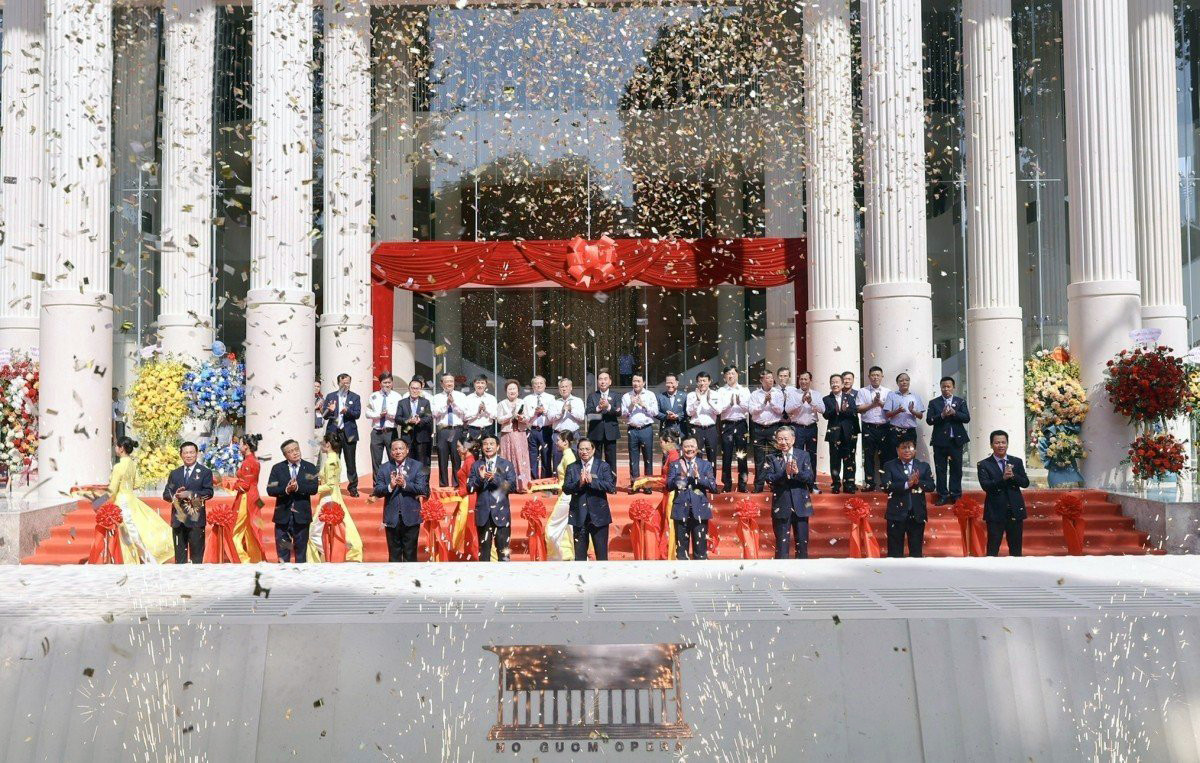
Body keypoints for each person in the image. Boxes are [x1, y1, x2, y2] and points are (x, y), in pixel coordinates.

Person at [105, 437, 172, 564]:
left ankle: (131, 559)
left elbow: (112, 490)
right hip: (131, 500)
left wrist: (101, 502)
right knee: (136, 529)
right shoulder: (132, 464)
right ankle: (146, 557)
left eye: (116, 446)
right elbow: (137, 483)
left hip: (122, 501)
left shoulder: (119, 466)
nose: (115, 448)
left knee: (128, 532)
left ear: (121, 448)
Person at [308, 432, 364, 562]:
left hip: (328, 499)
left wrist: (313, 489)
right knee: (333, 530)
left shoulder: (330, 461)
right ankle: (334, 553)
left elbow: (330, 485)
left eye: (323, 443)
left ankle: (333, 553)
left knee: (314, 532)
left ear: (328, 444)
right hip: (333, 497)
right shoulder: (335, 458)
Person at [763, 427, 816, 559]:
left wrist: (797, 473)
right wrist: (784, 473)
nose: (783, 442)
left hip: (801, 504)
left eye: (786, 439)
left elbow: (810, 478)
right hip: (782, 504)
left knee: (802, 545)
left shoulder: (803, 455)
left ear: (793, 439)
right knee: (781, 546)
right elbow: (769, 478)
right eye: (780, 439)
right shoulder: (771, 457)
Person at [373, 439, 429, 562]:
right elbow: (377, 490)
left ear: (407, 450)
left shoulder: (417, 466)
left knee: (410, 555)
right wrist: (390, 486)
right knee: (394, 556)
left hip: (411, 516)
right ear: (391, 452)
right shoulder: (384, 468)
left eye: (401, 448)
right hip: (392, 517)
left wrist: (405, 484)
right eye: (395, 449)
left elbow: (423, 489)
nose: (398, 452)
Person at [266, 439, 320, 563]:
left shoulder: (310, 467)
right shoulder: (278, 468)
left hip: (301, 518)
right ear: (285, 455)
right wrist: (286, 489)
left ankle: (300, 574)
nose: (295, 453)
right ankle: (283, 573)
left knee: (300, 553)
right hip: (283, 518)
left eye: (296, 449)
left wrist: (297, 488)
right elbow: (270, 489)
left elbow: (314, 488)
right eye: (290, 451)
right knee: (283, 552)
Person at [977, 430, 1029, 557]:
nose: (1001, 445)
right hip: (995, 512)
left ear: (1007, 444)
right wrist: (1003, 479)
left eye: (1003, 442)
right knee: (993, 550)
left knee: (1016, 551)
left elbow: (1025, 483)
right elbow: (986, 486)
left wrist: (1013, 476)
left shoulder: (1016, 461)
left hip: (1015, 510)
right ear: (991, 445)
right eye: (997, 443)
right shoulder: (984, 464)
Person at [563, 439, 617, 560]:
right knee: (579, 557)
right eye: (581, 449)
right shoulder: (572, 467)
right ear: (577, 450)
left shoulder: (603, 466)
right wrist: (579, 483)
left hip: (599, 516)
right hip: (579, 516)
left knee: (601, 556)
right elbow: (566, 488)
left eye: (587, 449)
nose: (584, 452)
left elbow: (611, 487)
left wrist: (593, 481)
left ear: (593, 450)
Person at [163, 441, 214, 564]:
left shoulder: (205, 472)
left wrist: (190, 494)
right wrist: (175, 495)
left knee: (197, 559)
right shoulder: (175, 473)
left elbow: (209, 492)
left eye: (191, 452)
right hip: (178, 520)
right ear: (181, 455)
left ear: (197, 454)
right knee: (179, 560)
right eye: (186, 453)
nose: (189, 455)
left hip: (196, 519)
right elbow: (166, 494)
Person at [666, 436, 718, 560]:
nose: (689, 449)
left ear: (697, 448)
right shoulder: (675, 464)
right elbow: (668, 486)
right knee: (681, 552)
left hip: (699, 510)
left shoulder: (705, 465)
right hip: (681, 510)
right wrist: (680, 479)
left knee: (700, 551)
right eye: (686, 446)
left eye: (692, 446)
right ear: (682, 448)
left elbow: (713, 487)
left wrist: (698, 477)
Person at [882, 439, 935, 558]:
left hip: (917, 514)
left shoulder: (923, 466)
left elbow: (931, 486)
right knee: (894, 554)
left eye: (910, 447)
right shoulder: (889, 465)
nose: (907, 450)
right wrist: (907, 484)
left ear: (915, 450)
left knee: (916, 553)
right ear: (897, 450)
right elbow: (886, 486)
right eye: (903, 448)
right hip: (896, 514)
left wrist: (918, 482)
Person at [468, 434, 517, 561]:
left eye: (491, 444)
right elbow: (470, 488)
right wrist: (480, 479)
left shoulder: (506, 464)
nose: (488, 447)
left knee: (504, 553)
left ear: (498, 447)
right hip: (483, 514)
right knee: (484, 553)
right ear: (481, 447)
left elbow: (512, 487)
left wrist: (495, 479)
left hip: (501, 514)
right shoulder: (476, 465)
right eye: (485, 444)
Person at [927, 376, 971, 505]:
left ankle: (955, 494)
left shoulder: (960, 401)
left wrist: (954, 413)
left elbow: (967, 418)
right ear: (940, 388)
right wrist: (942, 415)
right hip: (939, 441)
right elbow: (929, 420)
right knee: (940, 469)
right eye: (943, 387)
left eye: (948, 386)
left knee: (956, 469)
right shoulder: (934, 403)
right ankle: (942, 495)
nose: (946, 389)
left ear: (953, 387)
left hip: (955, 441)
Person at [321, 373, 362, 496]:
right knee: (333, 461)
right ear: (338, 383)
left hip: (348, 433)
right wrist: (330, 410)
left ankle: (353, 487)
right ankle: (333, 486)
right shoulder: (331, 396)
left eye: (348, 383)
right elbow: (324, 415)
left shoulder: (355, 397)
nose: (346, 385)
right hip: (334, 433)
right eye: (343, 383)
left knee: (350, 462)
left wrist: (347, 411)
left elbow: (357, 414)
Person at [230, 434, 267, 563]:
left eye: (240, 444)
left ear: (246, 446)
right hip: (254, 496)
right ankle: (255, 558)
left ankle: (242, 558)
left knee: (235, 530)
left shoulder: (248, 462)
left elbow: (245, 485)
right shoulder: (253, 460)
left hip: (246, 498)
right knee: (251, 529)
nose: (239, 446)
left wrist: (231, 484)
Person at [785, 371, 824, 493]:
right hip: (797, 428)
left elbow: (822, 409)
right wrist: (800, 401)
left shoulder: (816, 394)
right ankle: (797, 484)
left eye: (806, 379)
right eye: (801, 379)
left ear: (810, 380)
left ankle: (812, 484)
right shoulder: (793, 393)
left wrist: (811, 402)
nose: (803, 381)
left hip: (811, 428)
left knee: (812, 456)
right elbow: (787, 409)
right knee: (796, 456)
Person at [748, 369, 785, 493]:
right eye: (767, 378)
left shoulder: (778, 393)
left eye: (771, 378)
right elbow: (752, 411)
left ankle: (774, 484)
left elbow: (780, 410)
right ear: (761, 380)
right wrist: (764, 403)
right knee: (759, 458)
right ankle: (758, 485)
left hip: (773, 428)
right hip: (758, 428)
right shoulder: (755, 394)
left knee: (774, 457)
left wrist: (771, 401)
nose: (770, 380)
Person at [856, 366, 893, 492]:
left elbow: (891, 410)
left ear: (882, 377)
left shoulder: (888, 392)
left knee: (885, 456)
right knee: (868, 456)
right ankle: (869, 483)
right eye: (873, 375)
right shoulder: (862, 391)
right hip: (868, 427)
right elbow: (859, 409)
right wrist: (873, 404)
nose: (875, 377)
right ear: (869, 377)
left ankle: (885, 483)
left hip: (885, 427)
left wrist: (880, 403)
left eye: (878, 375)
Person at [622, 373, 659, 492]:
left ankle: (648, 485)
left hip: (646, 429)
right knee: (633, 458)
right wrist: (631, 405)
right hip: (632, 429)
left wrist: (644, 405)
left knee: (648, 457)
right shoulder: (626, 396)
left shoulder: (650, 395)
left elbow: (655, 412)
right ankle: (635, 485)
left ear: (643, 383)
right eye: (634, 381)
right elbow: (623, 414)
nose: (636, 383)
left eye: (638, 381)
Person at [822, 374, 859, 494]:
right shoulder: (826, 399)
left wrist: (844, 410)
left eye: (837, 382)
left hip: (849, 432)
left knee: (850, 459)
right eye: (832, 382)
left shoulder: (850, 397)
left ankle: (849, 484)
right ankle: (836, 484)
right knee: (835, 460)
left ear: (842, 384)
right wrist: (836, 410)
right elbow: (825, 415)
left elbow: (854, 411)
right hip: (834, 433)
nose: (835, 384)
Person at [716, 366, 750, 493]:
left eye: (732, 373)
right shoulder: (721, 391)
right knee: (727, 455)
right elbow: (718, 409)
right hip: (727, 425)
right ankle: (727, 484)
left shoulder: (744, 390)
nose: (730, 376)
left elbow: (749, 408)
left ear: (737, 375)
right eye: (728, 374)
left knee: (742, 455)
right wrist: (729, 404)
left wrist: (740, 403)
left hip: (741, 424)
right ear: (724, 376)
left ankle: (743, 484)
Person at [431, 373, 467, 487]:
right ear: (442, 384)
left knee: (456, 458)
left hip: (456, 429)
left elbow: (465, 412)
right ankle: (443, 484)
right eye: (447, 381)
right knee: (442, 458)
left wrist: (454, 403)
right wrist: (446, 404)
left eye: (451, 381)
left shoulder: (461, 396)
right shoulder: (437, 397)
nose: (449, 383)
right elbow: (434, 413)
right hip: (443, 430)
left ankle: (457, 485)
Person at [497, 379, 532, 492]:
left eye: (514, 389)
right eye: (510, 389)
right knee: (507, 458)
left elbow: (528, 419)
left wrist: (521, 418)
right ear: (506, 391)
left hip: (520, 434)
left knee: (520, 458)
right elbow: (499, 420)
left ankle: (522, 485)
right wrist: (510, 415)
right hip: (507, 435)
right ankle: (507, 485)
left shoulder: (523, 402)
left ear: (518, 391)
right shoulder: (502, 404)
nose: (512, 391)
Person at [546, 431, 577, 560]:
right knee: (568, 526)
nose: (556, 443)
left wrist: (556, 485)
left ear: (565, 442)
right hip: (564, 494)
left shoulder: (569, 457)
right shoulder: (566, 455)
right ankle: (568, 553)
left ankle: (557, 554)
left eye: (558, 440)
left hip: (566, 496)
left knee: (552, 526)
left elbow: (572, 479)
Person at [450, 437, 481, 561]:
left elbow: (472, 484)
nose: (457, 449)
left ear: (466, 448)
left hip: (468, 499)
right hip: (464, 497)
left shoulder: (470, 462)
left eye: (459, 446)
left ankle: (472, 554)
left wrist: (459, 492)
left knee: (468, 527)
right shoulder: (468, 460)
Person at [365, 372, 400, 479]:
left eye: (389, 382)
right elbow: (367, 413)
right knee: (376, 461)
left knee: (394, 459)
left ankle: (394, 483)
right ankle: (377, 485)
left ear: (392, 383)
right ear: (380, 384)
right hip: (377, 432)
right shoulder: (373, 396)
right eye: (385, 383)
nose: (387, 385)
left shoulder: (397, 396)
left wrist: (388, 414)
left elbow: (399, 414)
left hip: (391, 431)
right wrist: (378, 415)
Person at [585, 370, 620, 469]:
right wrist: (599, 408)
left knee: (611, 460)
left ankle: (611, 478)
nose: (603, 381)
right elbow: (588, 413)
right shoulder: (592, 396)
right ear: (597, 382)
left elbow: (619, 412)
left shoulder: (616, 395)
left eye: (605, 379)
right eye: (600, 379)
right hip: (595, 431)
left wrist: (608, 406)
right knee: (595, 460)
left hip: (611, 431)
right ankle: (596, 478)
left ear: (610, 382)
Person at [884, 372, 925, 456]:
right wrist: (898, 411)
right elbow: (887, 414)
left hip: (910, 432)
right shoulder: (892, 395)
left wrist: (912, 411)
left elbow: (920, 416)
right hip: (895, 431)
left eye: (907, 380)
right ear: (897, 383)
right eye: (901, 380)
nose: (904, 382)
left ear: (909, 382)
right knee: (893, 456)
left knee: (910, 456)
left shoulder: (915, 396)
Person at [523, 375, 555, 479]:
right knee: (532, 457)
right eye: (536, 383)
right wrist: (534, 413)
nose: (539, 385)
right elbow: (525, 417)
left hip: (546, 430)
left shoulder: (551, 398)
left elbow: (553, 416)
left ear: (545, 385)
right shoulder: (527, 399)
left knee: (546, 456)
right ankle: (533, 480)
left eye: (541, 383)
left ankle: (546, 481)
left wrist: (544, 411)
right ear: (532, 386)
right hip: (532, 430)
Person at [397, 377, 433, 471]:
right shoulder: (402, 403)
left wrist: (419, 420)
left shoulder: (425, 402)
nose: (415, 390)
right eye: (413, 388)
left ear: (420, 389)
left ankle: (422, 481)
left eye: (417, 388)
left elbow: (429, 417)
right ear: (409, 389)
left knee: (421, 464)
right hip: (407, 437)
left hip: (421, 437)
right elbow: (398, 418)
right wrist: (408, 421)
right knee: (407, 464)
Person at [550, 377, 585, 468]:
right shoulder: (554, 402)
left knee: (575, 460)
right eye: (562, 387)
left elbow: (581, 417)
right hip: (558, 435)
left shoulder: (578, 401)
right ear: (559, 389)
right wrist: (561, 412)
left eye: (566, 386)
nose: (564, 389)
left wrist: (571, 410)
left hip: (573, 435)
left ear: (571, 388)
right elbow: (550, 418)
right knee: (558, 462)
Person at [686, 371, 720, 466]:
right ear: (697, 382)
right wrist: (698, 400)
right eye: (700, 381)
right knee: (696, 456)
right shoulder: (691, 395)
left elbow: (718, 411)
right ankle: (696, 475)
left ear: (709, 382)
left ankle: (711, 476)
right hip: (697, 429)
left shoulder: (715, 394)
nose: (702, 383)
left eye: (704, 381)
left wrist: (709, 401)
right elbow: (689, 412)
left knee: (712, 456)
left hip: (711, 429)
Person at [656, 433, 681, 559]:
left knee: (668, 521)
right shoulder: (670, 455)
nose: (660, 444)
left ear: (668, 441)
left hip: (671, 494)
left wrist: (653, 480)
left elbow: (673, 478)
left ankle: (669, 550)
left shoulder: (674, 456)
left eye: (661, 442)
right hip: (666, 493)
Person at [655, 373, 688, 452]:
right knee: (667, 454)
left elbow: (688, 411)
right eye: (668, 383)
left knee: (680, 454)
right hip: (666, 430)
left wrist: (678, 416)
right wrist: (666, 416)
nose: (670, 385)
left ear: (677, 383)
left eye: (672, 383)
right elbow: (656, 412)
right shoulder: (660, 397)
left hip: (681, 429)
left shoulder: (684, 396)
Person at [463, 375, 498, 442]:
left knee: (488, 448)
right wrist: (477, 412)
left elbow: (496, 416)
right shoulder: (468, 398)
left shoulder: (492, 398)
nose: (480, 385)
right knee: (472, 449)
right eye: (478, 383)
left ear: (486, 385)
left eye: (482, 383)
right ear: (474, 384)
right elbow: (465, 417)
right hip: (473, 430)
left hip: (488, 430)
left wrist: (486, 410)